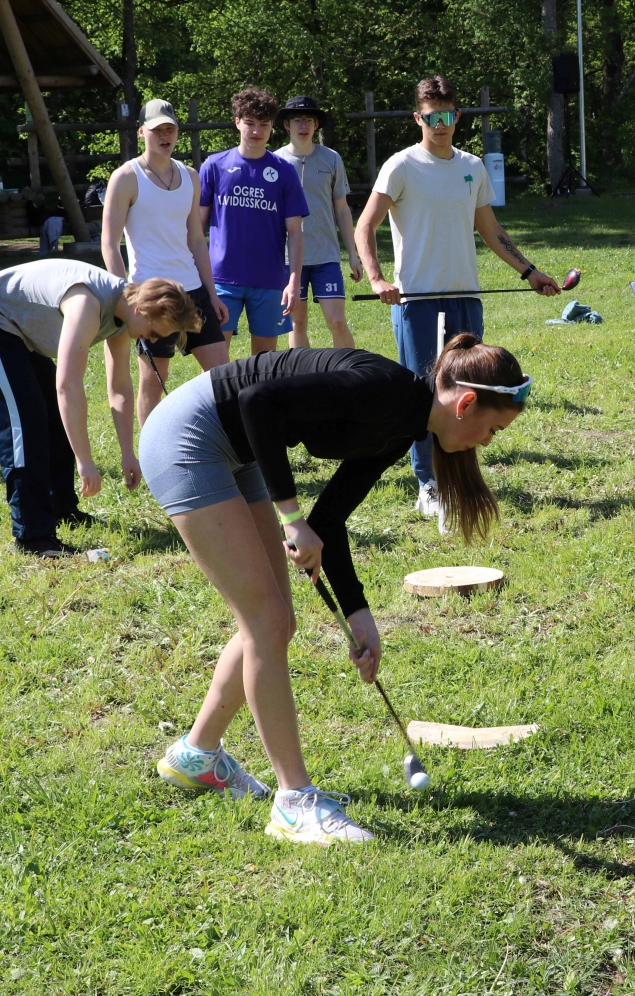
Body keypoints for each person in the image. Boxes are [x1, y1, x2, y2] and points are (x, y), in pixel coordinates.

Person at [140, 334, 531, 844]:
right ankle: (293, 804)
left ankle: (196, 755)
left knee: (274, 622)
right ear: (466, 403)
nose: (487, 442)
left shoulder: (402, 427)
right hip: (189, 435)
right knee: (267, 622)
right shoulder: (382, 391)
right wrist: (289, 516)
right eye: (493, 429)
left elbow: (329, 520)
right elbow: (257, 402)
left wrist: (358, 614)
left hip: (239, 446)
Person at [353, 75, 560, 521]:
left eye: (447, 116)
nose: (440, 124)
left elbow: (489, 228)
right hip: (416, 301)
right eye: (432, 117)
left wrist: (529, 272)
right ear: (418, 118)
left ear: (458, 116)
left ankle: (458, 477)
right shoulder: (401, 166)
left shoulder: (472, 167)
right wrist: (376, 279)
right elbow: (365, 225)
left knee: (469, 391)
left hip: (466, 296)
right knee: (424, 395)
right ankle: (427, 483)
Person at [0, 260, 201, 557]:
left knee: (55, 419)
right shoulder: (86, 303)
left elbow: (119, 388)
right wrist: (85, 462)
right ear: (141, 310)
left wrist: (128, 454)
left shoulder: (123, 315)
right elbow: (67, 386)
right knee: (25, 425)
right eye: (154, 332)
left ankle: (61, 508)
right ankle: (33, 537)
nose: (153, 340)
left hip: (16, 333)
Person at [100, 98, 228, 424]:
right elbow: (109, 243)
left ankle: (226, 444)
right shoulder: (126, 177)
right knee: (154, 382)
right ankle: (151, 450)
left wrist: (212, 294)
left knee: (222, 376)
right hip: (151, 295)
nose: (164, 135)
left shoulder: (191, 176)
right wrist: (126, 299)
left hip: (193, 290)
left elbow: (196, 239)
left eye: (170, 129)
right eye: (157, 129)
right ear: (141, 132)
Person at [200, 88, 308, 356]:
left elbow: (295, 233)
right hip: (221, 279)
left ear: (272, 126)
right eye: (250, 123)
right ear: (237, 122)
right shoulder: (214, 166)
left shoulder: (285, 171)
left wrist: (293, 281)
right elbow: (195, 229)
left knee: (264, 363)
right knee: (216, 361)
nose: (257, 131)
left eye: (264, 124)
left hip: (269, 280)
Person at [274, 95, 363, 349]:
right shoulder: (275, 162)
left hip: (326, 256)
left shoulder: (332, 158)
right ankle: (302, 373)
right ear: (286, 125)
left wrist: (353, 255)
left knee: (337, 321)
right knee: (297, 323)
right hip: (290, 259)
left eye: (309, 120)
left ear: (316, 125)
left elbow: (342, 209)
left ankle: (348, 370)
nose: (303, 125)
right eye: (297, 120)